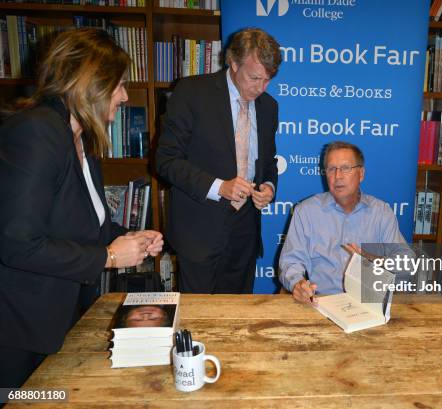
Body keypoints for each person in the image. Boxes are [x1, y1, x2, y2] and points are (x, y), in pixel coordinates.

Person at [0, 28, 163, 388]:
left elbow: (90, 227)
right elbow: (17, 244)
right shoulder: (36, 132)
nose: (123, 97)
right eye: (118, 85)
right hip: (16, 332)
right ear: (90, 83)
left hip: (57, 320)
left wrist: (130, 239)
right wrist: (108, 256)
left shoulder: (81, 141)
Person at [156, 28, 281, 294]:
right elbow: (166, 160)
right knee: (198, 319)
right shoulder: (192, 92)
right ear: (233, 63)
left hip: (245, 230)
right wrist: (219, 187)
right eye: (255, 77)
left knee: (237, 320)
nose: (261, 88)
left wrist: (268, 186)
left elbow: (268, 161)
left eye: (268, 80)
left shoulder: (269, 107)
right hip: (199, 229)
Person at [279, 141, 410, 304]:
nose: (337, 176)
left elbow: (406, 263)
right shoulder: (306, 212)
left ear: (361, 173)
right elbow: (291, 262)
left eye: (345, 168)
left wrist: (372, 260)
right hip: (320, 302)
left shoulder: (381, 212)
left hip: (368, 304)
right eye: (331, 169)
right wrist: (297, 284)